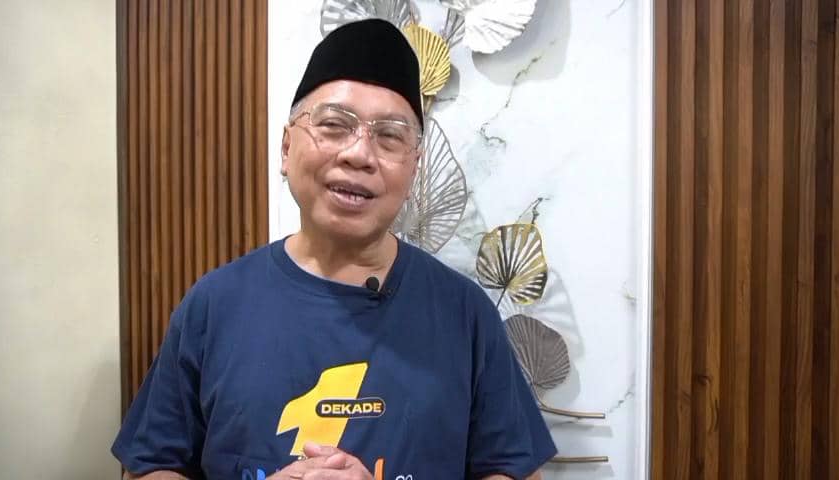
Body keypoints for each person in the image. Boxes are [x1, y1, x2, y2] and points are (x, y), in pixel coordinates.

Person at [112, 19, 557, 480]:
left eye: (389, 136)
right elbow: (148, 467)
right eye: (334, 125)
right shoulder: (214, 305)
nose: (359, 154)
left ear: (414, 169)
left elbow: (516, 471)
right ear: (286, 148)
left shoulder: (464, 314)